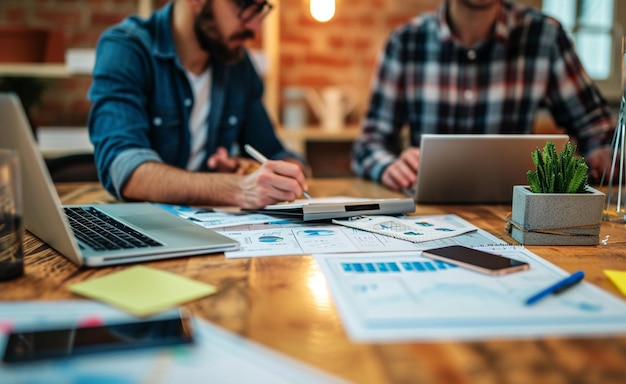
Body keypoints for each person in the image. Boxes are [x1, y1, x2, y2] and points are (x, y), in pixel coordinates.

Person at [352, 0, 615, 192]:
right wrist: (388, 166)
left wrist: (604, 154)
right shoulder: (405, 41)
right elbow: (369, 145)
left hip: (518, 215)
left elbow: (596, 127)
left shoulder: (545, 37)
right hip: (424, 213)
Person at [88, 0, 309, 209]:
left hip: (213, 227)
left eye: (261, 7)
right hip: (143, 226)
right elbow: (125, 169)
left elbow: (274, 152)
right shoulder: (127, 49)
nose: (255, 27)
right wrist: (236, 188)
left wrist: (263, 171)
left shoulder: (236, 63)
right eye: (243, 4)